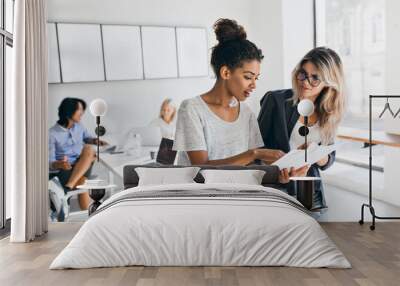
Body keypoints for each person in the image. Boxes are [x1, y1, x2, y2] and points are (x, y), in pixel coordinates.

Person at [173, 18, 308, 182]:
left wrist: (281, 174)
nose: (253, 85)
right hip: (198, 199)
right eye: (248, 77)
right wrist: (254, 153)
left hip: (235, 196)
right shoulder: (192, 109)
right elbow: (200, 170)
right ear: (225, 73)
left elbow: (253, 166)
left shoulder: (246, 113)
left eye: (256, 78)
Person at [258, 47, 345, 210]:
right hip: (278, 191)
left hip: (311, 195)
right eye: (303, 73)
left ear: (328, 82)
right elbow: (256, 150)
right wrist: (278, 169)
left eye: (315, 78)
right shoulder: (275, 100)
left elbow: (328, 159)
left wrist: (317, 155)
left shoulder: (329, 112)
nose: (305, 81)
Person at [49, 97, 107, 210]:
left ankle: (68, 187)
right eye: (79, 109)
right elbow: (49, 163)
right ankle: (89, 215)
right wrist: (60, 164)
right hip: (64, 170)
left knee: (89, 149)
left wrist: (95, 141)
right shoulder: (52, 133)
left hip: (80, 165)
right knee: (83, 181)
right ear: (69, 111)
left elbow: (87, 138)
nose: (82, 112)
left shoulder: (79, 127)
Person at [149, 98, 178, 164]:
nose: (165, 112)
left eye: (168, 110)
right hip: (159, 152)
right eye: (163, 110)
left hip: (173, 153)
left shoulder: (177, 123)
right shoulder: (155, 122)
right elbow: (150, 139)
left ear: (173, 110)